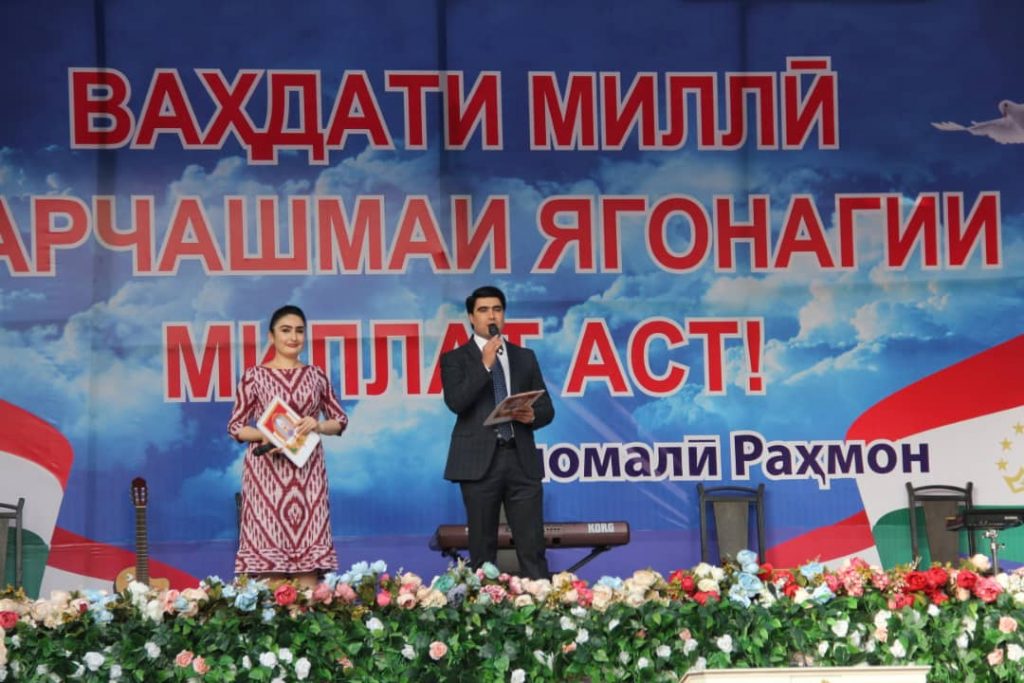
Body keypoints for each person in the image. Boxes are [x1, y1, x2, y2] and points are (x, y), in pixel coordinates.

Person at [227, 305, 347, 586]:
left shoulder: (316, 375)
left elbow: (340, 421)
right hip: (266, 477)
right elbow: (235, 426)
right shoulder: (254, 376)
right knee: (271, 572)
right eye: (285, 330)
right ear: (271, 336)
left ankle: (309, 612)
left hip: (308, 474)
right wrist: (263, 435)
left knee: (308, 571)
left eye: (299, 331)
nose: (293, 337)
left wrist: (316, 425)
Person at [440, 285, 555, 579]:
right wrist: (485, 365)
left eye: (497, 309)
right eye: (483, 310)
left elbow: (547, 408)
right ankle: (484, 604)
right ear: (471, 317)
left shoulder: (524, 357)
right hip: (478, 464)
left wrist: (532, 415)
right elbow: (457, 402)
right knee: (482, 550)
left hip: (520, 459)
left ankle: (540, 601)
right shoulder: (455, 359)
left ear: (503, 315)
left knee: (532, 546)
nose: (491, 316)